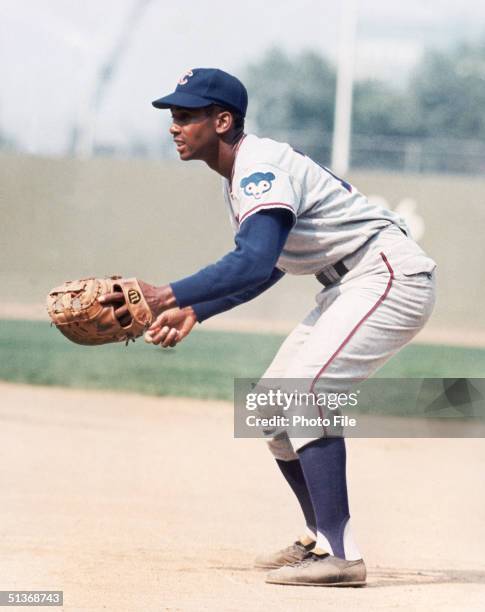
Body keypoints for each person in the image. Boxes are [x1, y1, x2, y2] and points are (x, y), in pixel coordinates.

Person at [100, 67, 436, 587]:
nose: (174, 126)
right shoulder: (241, 176)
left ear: (223, 119)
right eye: (173, 116)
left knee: (305, 392)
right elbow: (269, 264)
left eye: (186, 116)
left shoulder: (259, 168)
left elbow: (255, 262)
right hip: (349, 282)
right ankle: (321, 539)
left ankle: (343, 557)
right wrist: (198, 310)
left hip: (387, 274)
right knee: (269, 409)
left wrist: (169, 293)